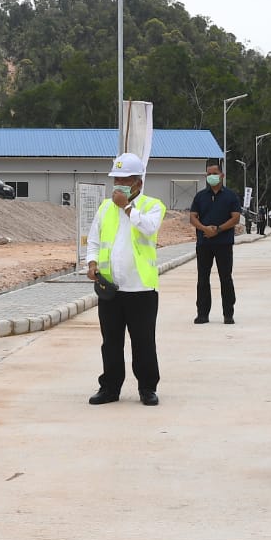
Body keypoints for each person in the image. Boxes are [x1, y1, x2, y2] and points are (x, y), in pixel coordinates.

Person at [85, 153, 165, 406]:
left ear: (138, 184)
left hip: (141, 288)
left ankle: (147, 388)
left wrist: (128, 208)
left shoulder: (152, 205)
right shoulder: (105, 207)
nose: (118, 185)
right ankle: (109, 387)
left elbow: (149, 228)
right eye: (115, 179)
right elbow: (94, 239)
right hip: (111, 288)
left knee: (143, 341)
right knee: (111, 341)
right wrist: (92, 262)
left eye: (124, 180)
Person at [189, 162, 242, 324]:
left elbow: (236, 218)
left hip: (224, 243)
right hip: (204, 244)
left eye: (214, 173)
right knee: (203, 278)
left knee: (225, 278)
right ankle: (202, 314)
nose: (211, 177)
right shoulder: (200, 196)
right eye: (208, 174)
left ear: (222, 175)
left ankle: (228, 313)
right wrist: (205, 229)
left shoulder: (231, 196)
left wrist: (218, 230)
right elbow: (192, 217)